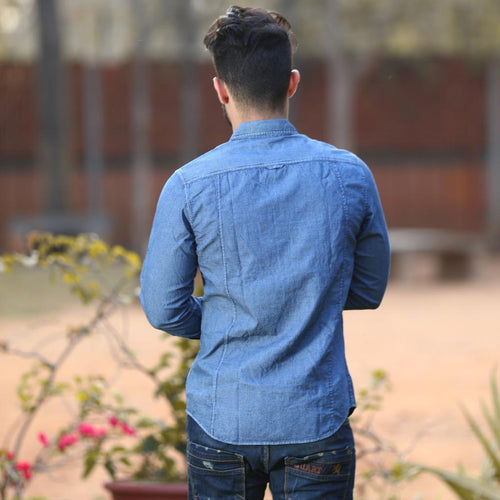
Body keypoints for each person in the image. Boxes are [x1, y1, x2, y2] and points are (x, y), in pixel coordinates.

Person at [140, 5, 390, 499]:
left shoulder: (188, 185)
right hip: (315, 416)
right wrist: (299, 307)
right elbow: (368, 290)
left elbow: (164, 307)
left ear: (221, 89)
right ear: (292, 83)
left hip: (222, 417)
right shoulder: (349, 175)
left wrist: (226, 321)